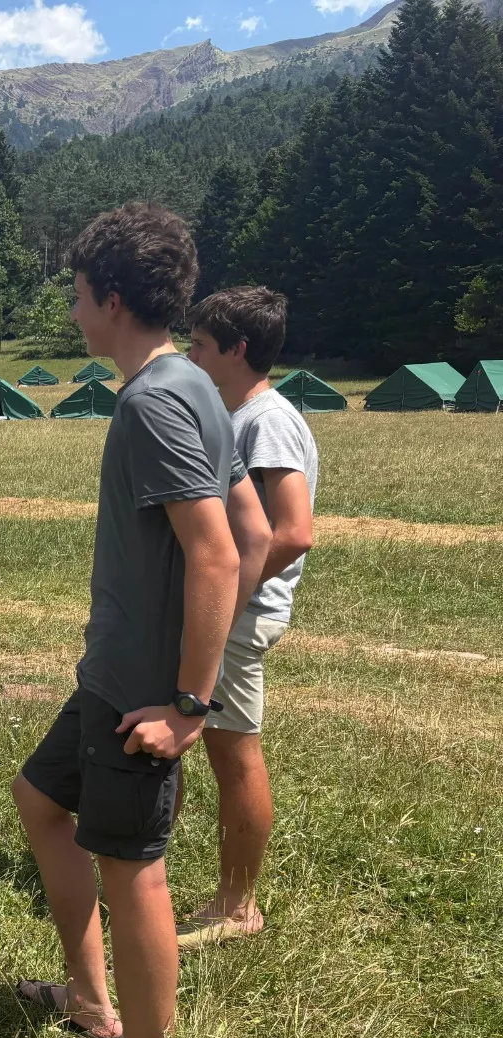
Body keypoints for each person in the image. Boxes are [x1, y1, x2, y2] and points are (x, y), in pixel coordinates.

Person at [10, 203, 266, 1038]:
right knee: (41, 799)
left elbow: (218, 551)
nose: (74, 312)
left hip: (141, 699)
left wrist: (190, 702)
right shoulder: (197, 384)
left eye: (78, 295)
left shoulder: (156, 400)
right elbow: (257, 526)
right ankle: (88, 1003)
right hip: (112, 678)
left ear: (111, 299)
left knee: (134, 872)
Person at [181, 286, 317, 949]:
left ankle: (237, 906)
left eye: (201, 345)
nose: (190, 354)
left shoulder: (267, 421)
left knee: (233, 753)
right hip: (221, 610)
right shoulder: (238, 415)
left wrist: (225, 603)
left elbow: (292, 530)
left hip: (239, 614)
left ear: (237, 350)